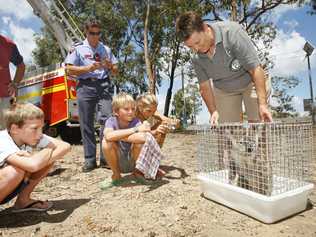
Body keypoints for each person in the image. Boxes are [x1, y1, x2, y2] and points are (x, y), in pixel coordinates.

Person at [176, 12, 272, 124]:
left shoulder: (232, 32)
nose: (196, 49)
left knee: (258, 125)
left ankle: (259, 130)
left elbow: (255, 69)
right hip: (224, 88)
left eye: (197, 42)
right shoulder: (195, 57)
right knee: (227, 131)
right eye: (190, 46)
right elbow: (204, 87)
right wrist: (213, 111)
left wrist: (263, 105)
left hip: (251, 80)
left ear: (205, 28)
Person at [65, 18, 118, 172]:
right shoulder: (78, 48)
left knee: (107, 120)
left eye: (98, 33)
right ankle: (89, 160)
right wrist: (87, 68)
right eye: (92, 33)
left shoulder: (106, 49)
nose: (95, 36)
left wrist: (110, 66)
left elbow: (116, 70)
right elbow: (69, 69)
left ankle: (104, 158)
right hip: (85, 86)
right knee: (86, 123)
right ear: (86, 33)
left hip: (104, 85)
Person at [0, 103, 71, 212]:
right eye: (35, 129)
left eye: (41, 128)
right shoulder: (3, 140)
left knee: (46, 160)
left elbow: (65, 146)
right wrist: (49, 148)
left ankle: (23, 201)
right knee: (14, 171)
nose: (40, 134)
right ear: (14, 128)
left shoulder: (26, 135)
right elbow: (33, 165)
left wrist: (38, 158)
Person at [101, 93, 165, 188]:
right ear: (116, 111)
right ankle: (116, 175)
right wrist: (134, 130)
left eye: (133, 109)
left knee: (139, 143)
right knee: (106, 143)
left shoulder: (136, 121)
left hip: (134, 162)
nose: (131, 112)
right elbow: (108, 136)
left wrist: (117, 135)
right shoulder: (111, 121)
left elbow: (142, 138)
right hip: (118, 161)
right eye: (126, 109)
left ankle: (138, 173)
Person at [0, 34, 25, 130]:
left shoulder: (8, 44)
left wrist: (15, 84)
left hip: (5, 97)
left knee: (7, 132)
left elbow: (21, 66)